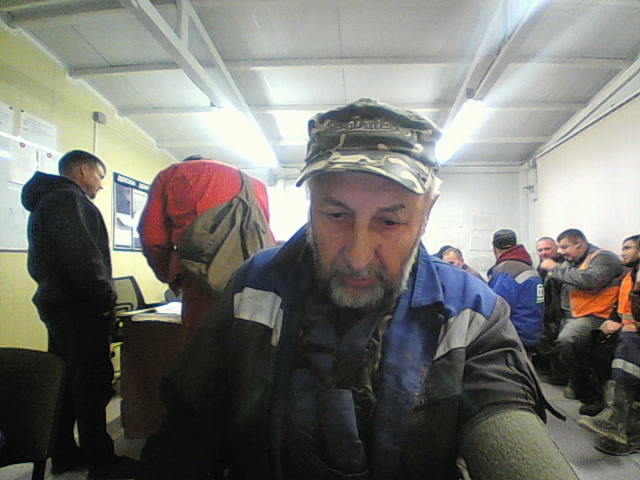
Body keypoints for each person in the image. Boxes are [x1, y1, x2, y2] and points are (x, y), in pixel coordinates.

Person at [137, 98, 577, 480]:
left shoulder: (471, 310)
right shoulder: (252, 287)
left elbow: (500, 413)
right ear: (310, 203)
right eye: (336, 215)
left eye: (390, 221)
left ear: (427, 212)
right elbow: (190, 426)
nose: (358, 256)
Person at [21, 150, 139, 480]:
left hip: (60, 305)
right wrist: (105, 298)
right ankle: (102, 463)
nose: (100, 185)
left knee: (66, 384)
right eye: (99, 177)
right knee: (91, 386)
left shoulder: (48, 200)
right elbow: (83, 259)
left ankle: (63, 453)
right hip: (81, 308)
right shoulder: (67, 200)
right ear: (83, 170)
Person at [137, 155, 272, 337]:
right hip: (254, 285)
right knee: (250, 343)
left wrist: (171, 276)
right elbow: (262, 237)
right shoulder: (256, 185)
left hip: (199, 282)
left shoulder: (174, 174)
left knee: (202, 346)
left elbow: (153, 238)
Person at [539, 229, 624, 410]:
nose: (561, 252)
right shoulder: (574, 261)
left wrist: (555, 268)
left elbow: (590, 280)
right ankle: (577, 383)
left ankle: (592, 393)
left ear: (579, 243)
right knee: (560, 341)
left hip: (598, 314)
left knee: (568, 339)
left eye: (565, 247)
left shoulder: (604, 258)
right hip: (574, 313)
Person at [578, 236, 640, 455]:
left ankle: (617, 420)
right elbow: (625, 306)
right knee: (600, 347)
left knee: (626, 356)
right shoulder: (630, 274)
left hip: (633, 335)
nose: (622, 252)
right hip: (629, 330)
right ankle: (613, 414)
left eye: (628, 248)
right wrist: (616, 321)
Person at [487, 229, 544, 353]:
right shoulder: (528, 267)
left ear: (494, 248)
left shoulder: (505, 271)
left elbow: (497, 310)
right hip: (531, 334)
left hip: (514, 339)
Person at [534, 236, 567, 385]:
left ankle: (560, 376)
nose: (543, 252)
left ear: (556, 248)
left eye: (547, 248)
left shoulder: (563, 266)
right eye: (540, 250)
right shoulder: (541, 267)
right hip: (547, 312)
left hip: (561, 312)